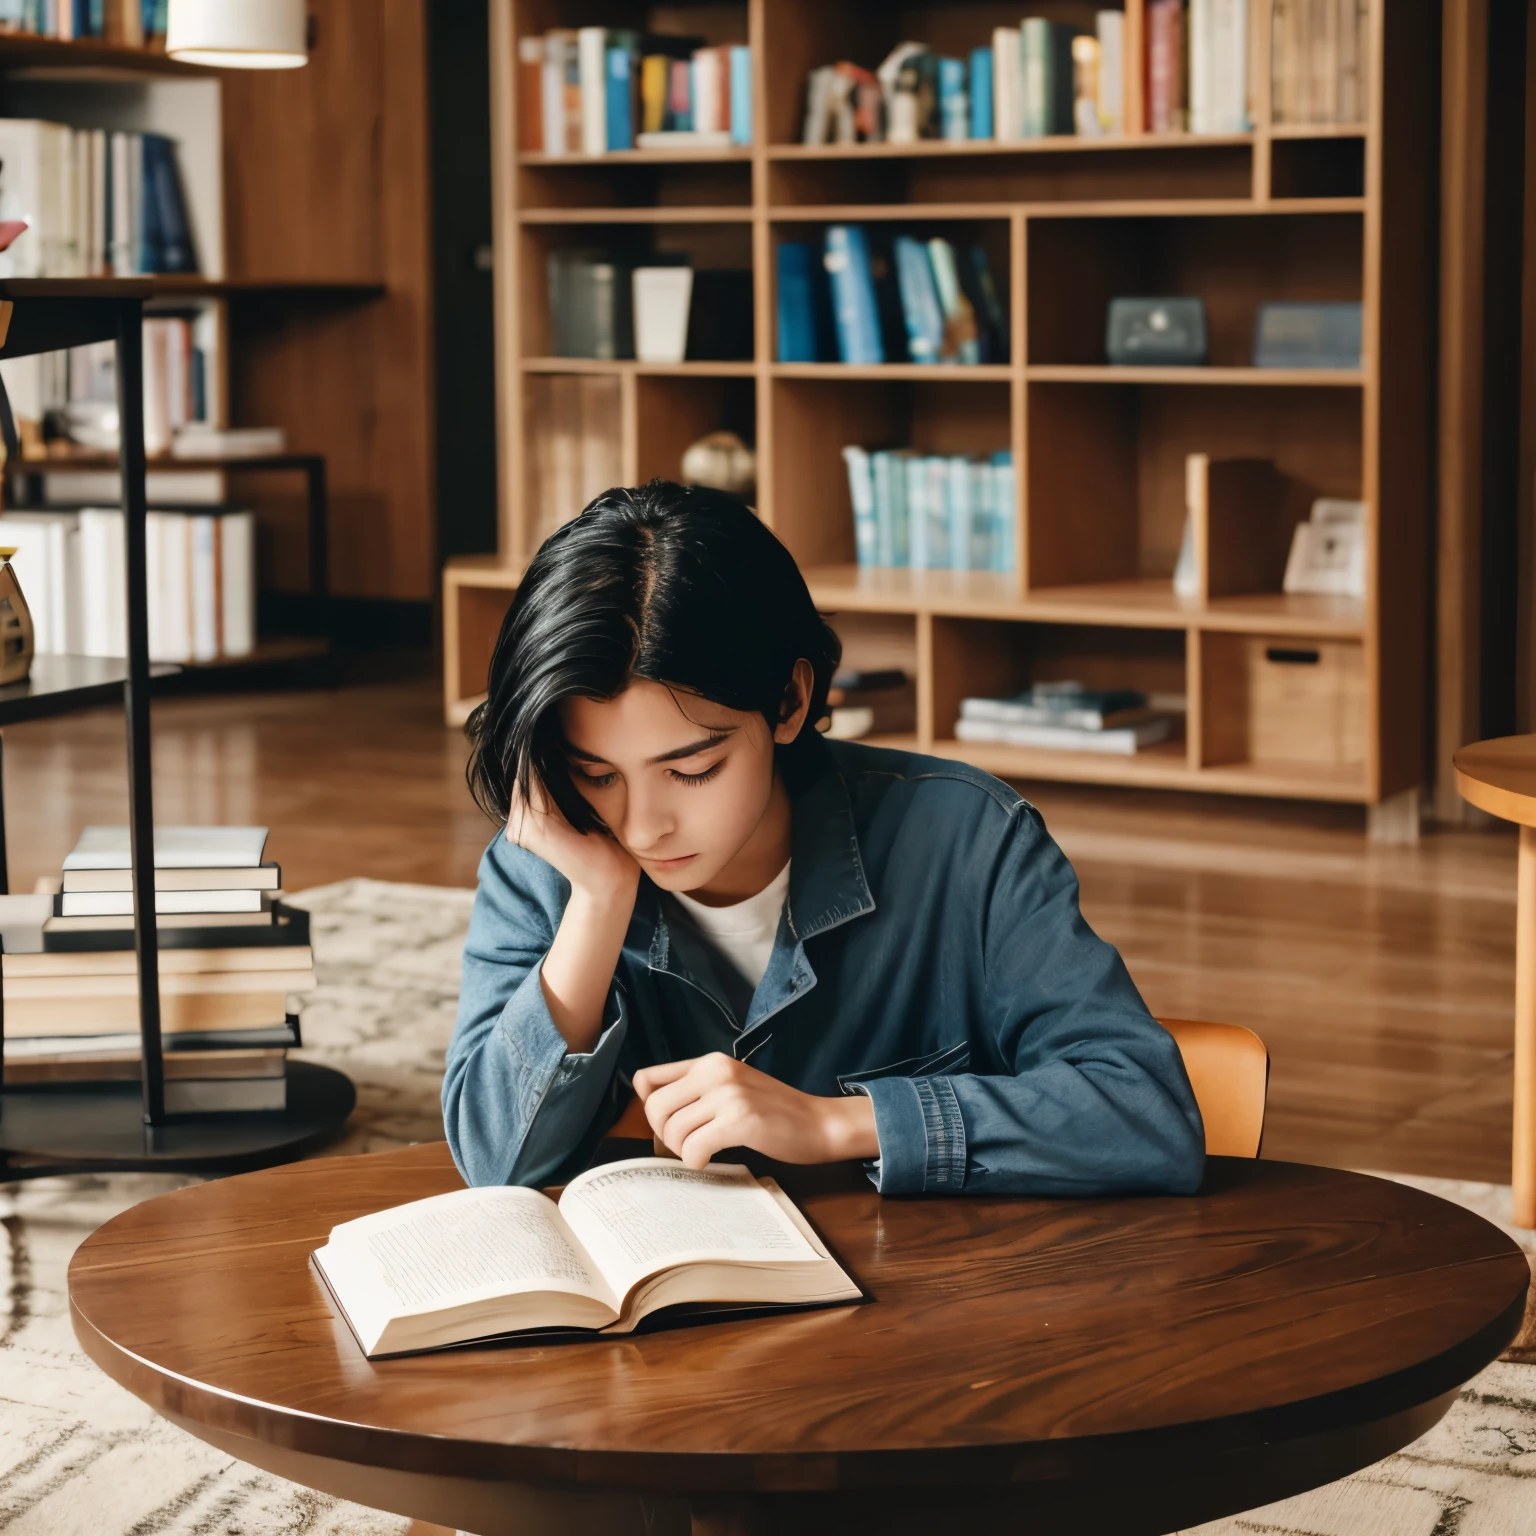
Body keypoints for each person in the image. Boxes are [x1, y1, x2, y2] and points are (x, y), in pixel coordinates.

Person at [444, 480, 1205, 1196]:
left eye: (694, 770)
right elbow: (496, 1162)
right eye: (597, 773)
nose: (642, 827)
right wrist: (599, 901)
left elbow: (1145, 1113)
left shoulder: (966, 840)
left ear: (790, 700)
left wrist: (838, 1122)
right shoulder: (552, 863)